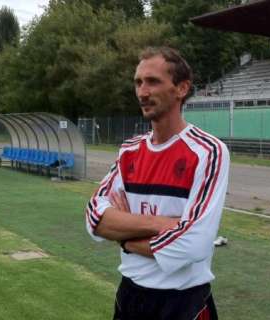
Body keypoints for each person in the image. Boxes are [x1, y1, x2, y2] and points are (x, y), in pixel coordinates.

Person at [85, 46, 230, 320]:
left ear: (181, 88)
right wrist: (163, 223)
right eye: (138, 82)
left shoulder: (208, 151)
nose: (142, 92)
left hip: (183, 302)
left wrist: (125, 236)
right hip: (129, 296)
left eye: (153, 81)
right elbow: (94, 218)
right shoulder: (129, 151)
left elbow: (194, 244)